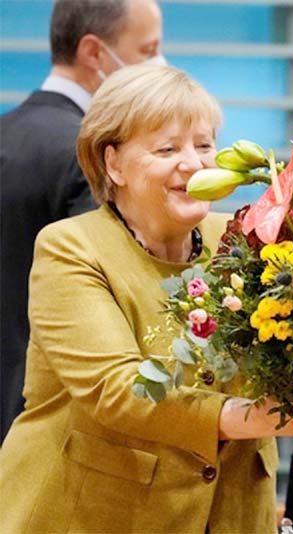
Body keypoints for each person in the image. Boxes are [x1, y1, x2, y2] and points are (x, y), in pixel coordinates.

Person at [0, 65, 293, 532]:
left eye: (204, 145)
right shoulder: (70, 248)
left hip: (233, 514)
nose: (194, 163)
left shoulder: (249, 238)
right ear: (114, 163)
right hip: (94, 514)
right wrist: (264, 417)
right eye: (167, 149)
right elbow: (117, 391)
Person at [0, 0, 165, 443]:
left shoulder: (8, 130)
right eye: (148, 50)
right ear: (94, 53)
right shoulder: (92, 156)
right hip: (50, 421)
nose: (160, 65)